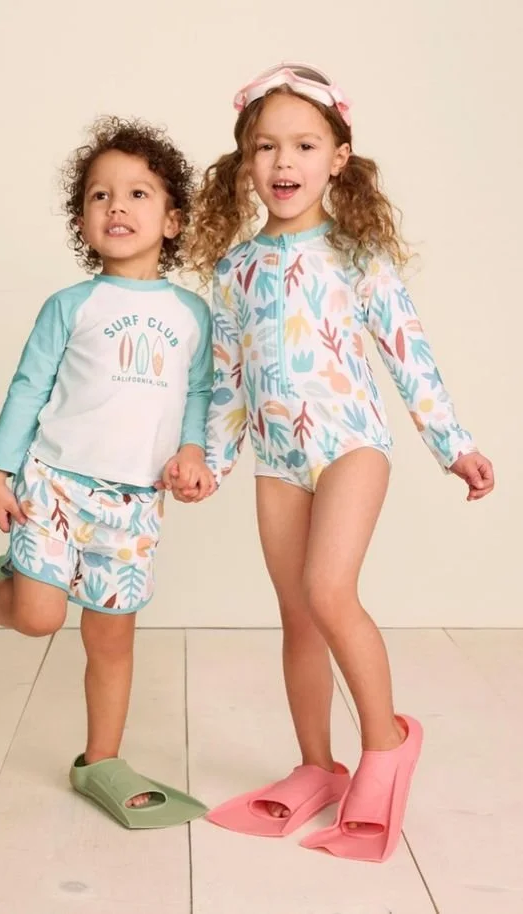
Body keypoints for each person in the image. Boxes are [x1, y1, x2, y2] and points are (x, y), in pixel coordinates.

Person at [165, 62, 495, 861]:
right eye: (265, 147)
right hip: (277, 461)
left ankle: (385, 742)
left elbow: (406, 353)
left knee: (327, 588)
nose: (284, 163)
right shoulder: (234, 270)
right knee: (297, 617)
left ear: (337, 157)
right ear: (244, 162)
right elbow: (232, 381)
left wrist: (453, 445)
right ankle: (316, 765)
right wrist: (209, 458)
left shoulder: (356, 255)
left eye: (303, 145)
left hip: (350, 445)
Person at [0, 116, 215, 829]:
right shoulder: (71, 307)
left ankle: (99, 759)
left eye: (138, 193)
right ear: (83, 219)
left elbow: (196, 397)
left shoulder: (191, 315)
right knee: (40, 618)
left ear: (171, 220)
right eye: (100, 195)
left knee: (111, 636)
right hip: (54, 485)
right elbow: (27, 388)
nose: (118, 207)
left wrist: (192, 453)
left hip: (134, 503)